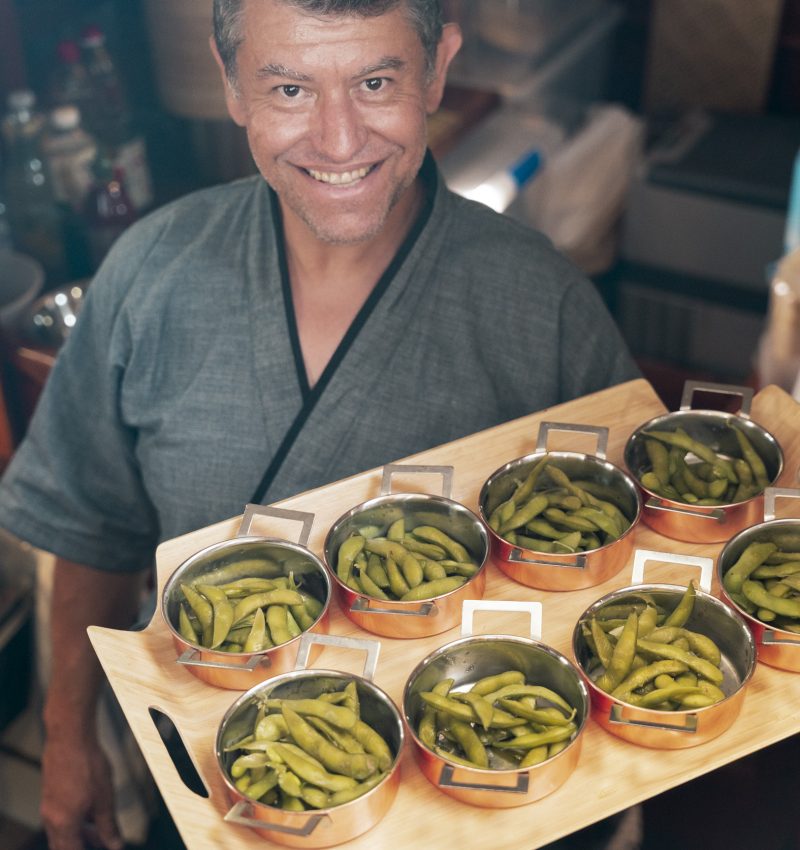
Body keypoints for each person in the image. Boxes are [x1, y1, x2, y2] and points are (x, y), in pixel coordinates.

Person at [0, 1, 639, 848]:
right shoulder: (150, 274)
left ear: (437, 68)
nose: (339, 141)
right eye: (291, 88)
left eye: (376, 81)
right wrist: (68, 736)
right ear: (232, 86)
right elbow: (91, 525)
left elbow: (623, 584)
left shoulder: (544, 305)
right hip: (213, 794)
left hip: (474, 806)